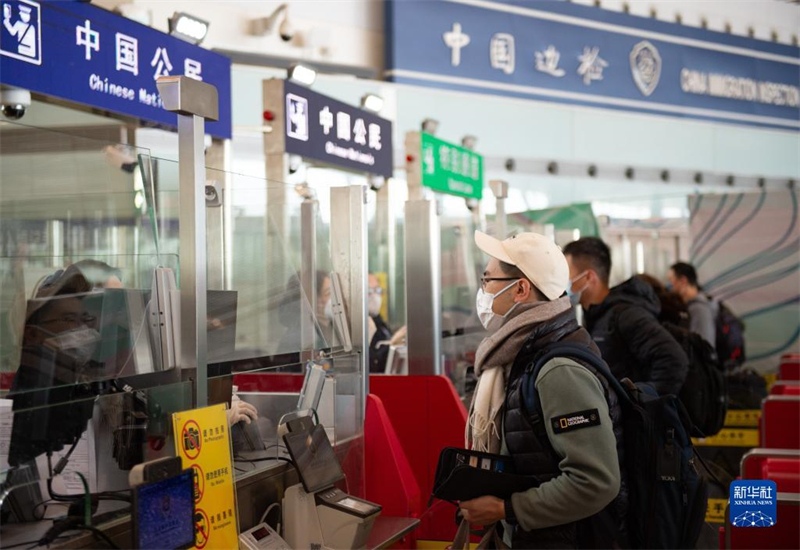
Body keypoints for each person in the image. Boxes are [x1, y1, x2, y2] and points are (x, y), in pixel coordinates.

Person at [460, 231, 623, 549]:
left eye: (487, 280)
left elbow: (596, 481)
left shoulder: (558, 370)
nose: (483, 291)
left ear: (520, 288)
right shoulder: (524, 353)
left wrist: (505, 508)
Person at [563, 237, 688, 396]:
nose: (563, 283)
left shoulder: (626, 315)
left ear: (588, 277)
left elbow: (674, 360)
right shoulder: (597, 316)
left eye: (567, 275)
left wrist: (639, 404)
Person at [667, 262, 717, 347]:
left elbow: (704, 347)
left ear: (683, 281)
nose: (669, 287)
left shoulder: (699, 308)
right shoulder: (695, 305)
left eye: (671, 281)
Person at [367, 273, 393, 373]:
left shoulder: (379, 322)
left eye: (377, 290)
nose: (375, 296)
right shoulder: (356, 325)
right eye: (369, 291)